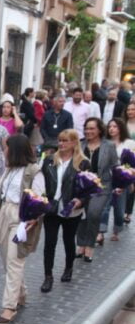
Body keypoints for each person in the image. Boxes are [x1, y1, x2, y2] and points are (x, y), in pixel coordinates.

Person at [0, 135, 45, 324]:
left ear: (14, 150)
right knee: (8, 261)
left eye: (6, 148)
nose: (3, 152)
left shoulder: (34, 172)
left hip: (21, 218)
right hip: (4, 214)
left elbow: (40, 199)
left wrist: (34, 218)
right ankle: (21, 292)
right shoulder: (8, 170)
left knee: (15, 261)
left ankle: (9, 307)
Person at [40, 129, 90, 292]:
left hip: (71, 210)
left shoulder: (83, 163)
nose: (61, 143)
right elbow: (41, 184)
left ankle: (68, 267)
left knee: (69, 241)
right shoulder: (48, 160)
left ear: (74, 143)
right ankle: (48, 276)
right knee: (49, 243)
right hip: (51, 209)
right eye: (60, 140)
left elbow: (88, 188)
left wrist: (80, 201)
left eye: (66, 140)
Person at [76, 118, 118, 260]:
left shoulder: (109, 146)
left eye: (92, 128)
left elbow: (114, 166)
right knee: (82, 215)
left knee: (93, 214)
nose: (88, 131)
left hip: (102, 187)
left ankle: (90, 246)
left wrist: (121, 183)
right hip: (82, 187)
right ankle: (81, 244)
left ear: (99, 129)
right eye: (87, 128)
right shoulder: (80, 145)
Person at [101, 118, 134, 241]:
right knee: (104, 207)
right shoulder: (104, 143)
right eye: (110, 126)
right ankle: (101, 232)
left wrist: (130, 180)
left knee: (119, 209)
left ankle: (116, 230)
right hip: (106, 179)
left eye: (115, 126)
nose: (111, 129)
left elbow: (132, 163)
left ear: (120, 128)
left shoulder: (129, 143)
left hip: (121, 180)